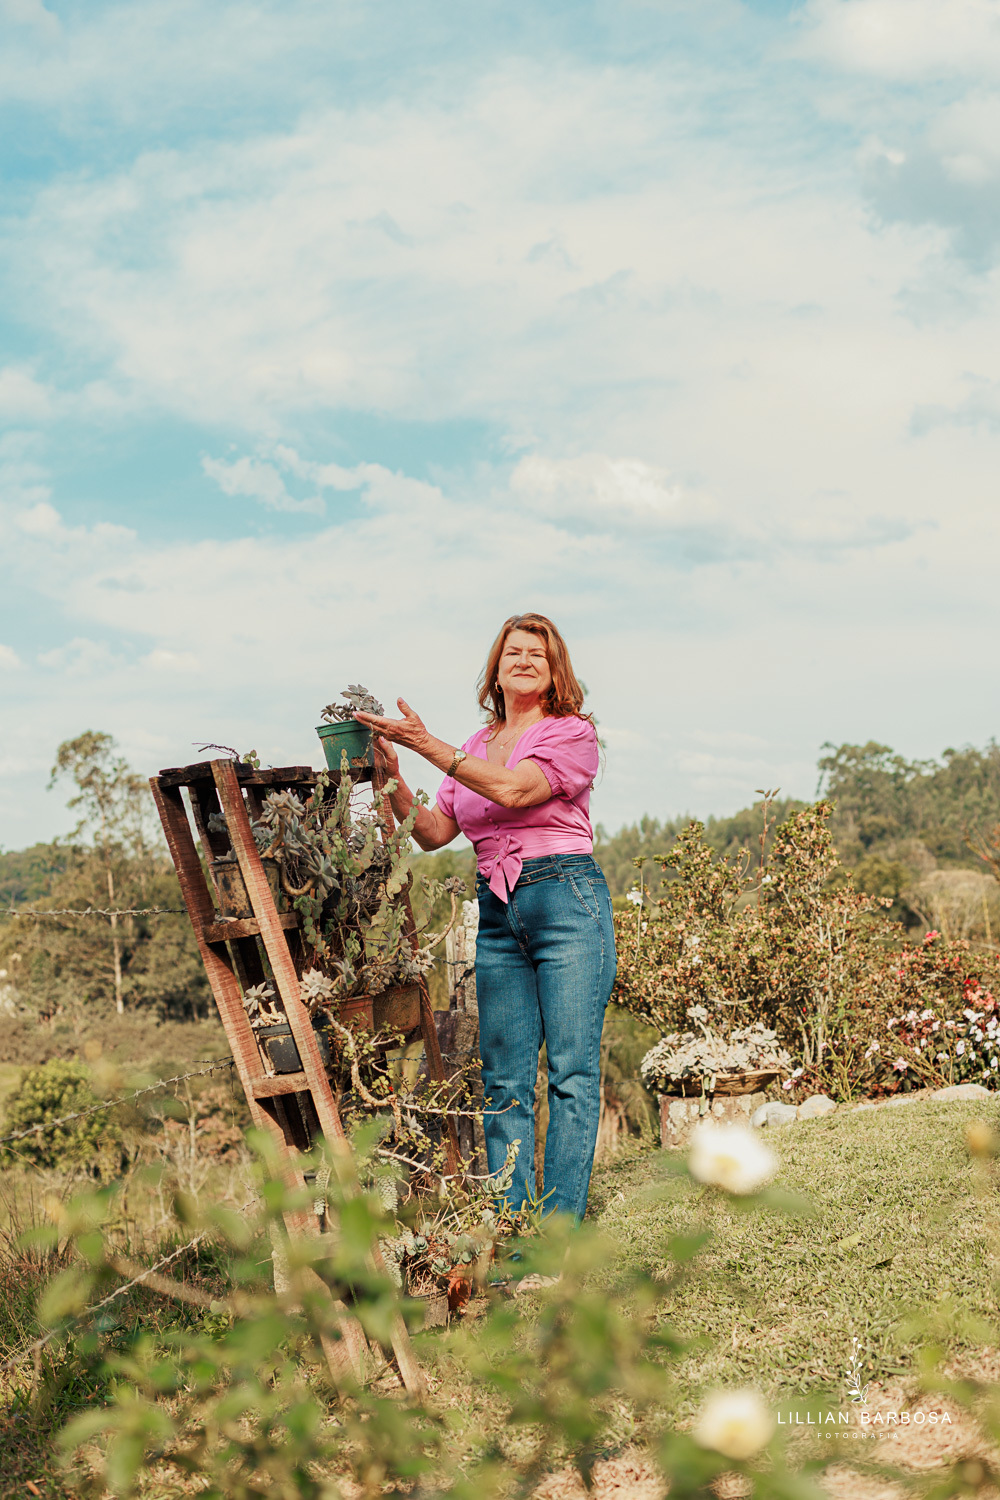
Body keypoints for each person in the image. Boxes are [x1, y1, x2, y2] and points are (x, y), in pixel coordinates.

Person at [353, 611, 616, 1222]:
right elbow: (433, 832)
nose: (523, 660)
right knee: (504, 1080)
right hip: (497, 911)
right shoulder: (474, 747)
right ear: (495, 667)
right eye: (513, 651)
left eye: (538, 654)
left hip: (564, 902)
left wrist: (425, 745)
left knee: (571, 1072)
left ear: (555, 674)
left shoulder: (571, 733)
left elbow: (517, 792)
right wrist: (395, 778)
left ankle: (560, 1229)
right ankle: (517, 1231)